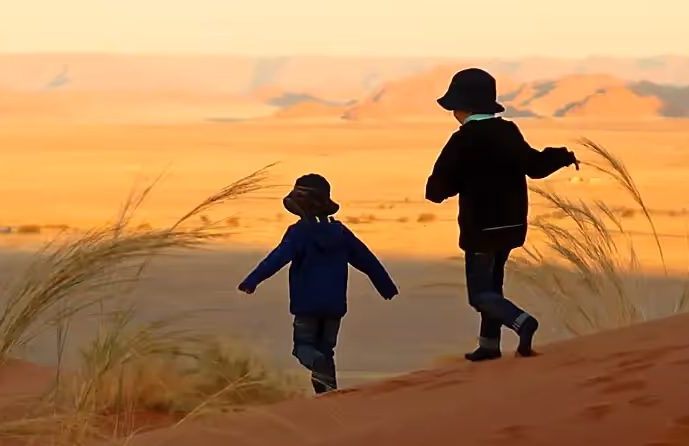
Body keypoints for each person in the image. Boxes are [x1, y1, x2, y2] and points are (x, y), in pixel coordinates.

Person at [425, 68, 579, 362]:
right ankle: (489, 345)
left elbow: (437, 188)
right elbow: (534, 165)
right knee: (494, 286)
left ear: (463, 107)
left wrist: (443, 188)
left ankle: (521, 321)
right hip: (511, 225)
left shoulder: (463, 140)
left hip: (480, 229)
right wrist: (561, 156)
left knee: (481, 294)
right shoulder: (508, 131)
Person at [239, 174, 399, 394]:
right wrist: (386, 286)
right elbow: (367, 260)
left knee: (303, 348)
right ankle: (328, 393)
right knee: (326, 349)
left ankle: (319, 371)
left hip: (306, 305)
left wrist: (251, 281)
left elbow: (276, 259)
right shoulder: (341, 233)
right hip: (334, 305)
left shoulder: (298, 234)